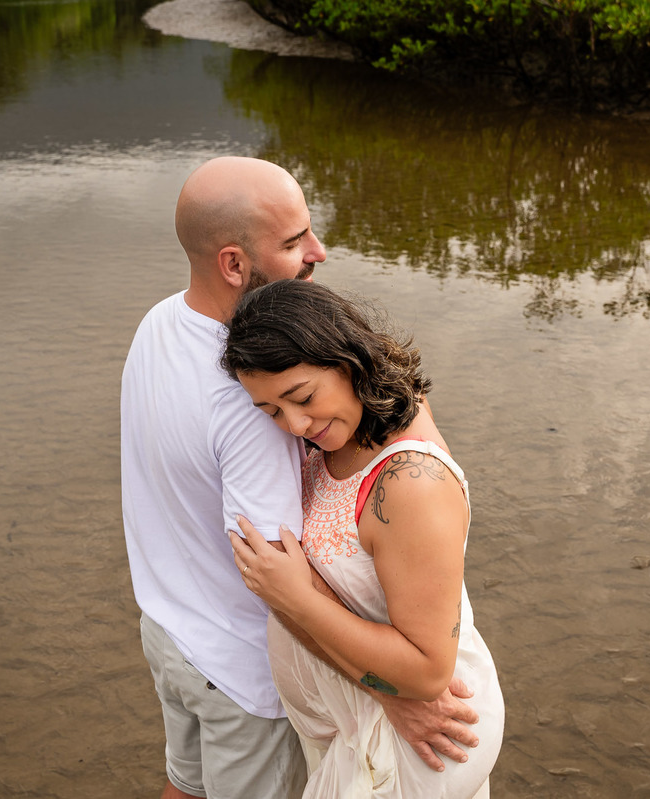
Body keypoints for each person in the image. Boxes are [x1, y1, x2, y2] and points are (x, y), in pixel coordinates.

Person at [121, 157, 482, 799]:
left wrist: (396, 685)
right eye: (293, 242)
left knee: (185, 784)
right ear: (235, 264)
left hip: (170, 630)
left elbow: (419, 480)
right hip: (238, 673)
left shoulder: (161, 323)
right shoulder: (248, 396)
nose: (319, 251)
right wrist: (388, 694)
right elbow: (277, 579)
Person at [222, 279, 505, 798]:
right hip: (362, 722)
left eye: (303, 397)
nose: (295, 424)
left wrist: (296, 599)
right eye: (272, 412)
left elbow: (426, 675)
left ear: (348, 360)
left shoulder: (410, 483)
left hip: (418, 742)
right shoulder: (344, 429)